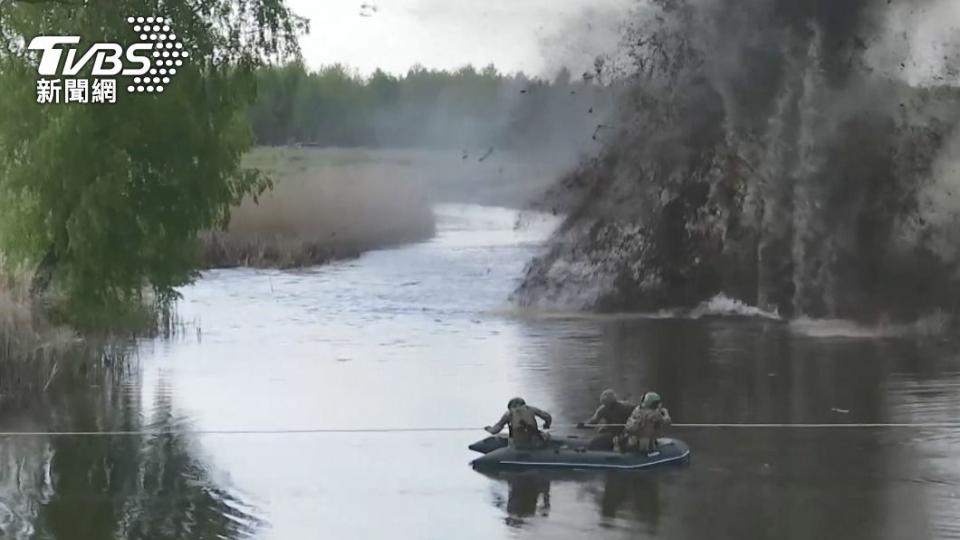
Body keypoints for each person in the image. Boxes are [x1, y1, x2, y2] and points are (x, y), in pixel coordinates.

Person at [485, 397, 552, 450]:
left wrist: (488, 429)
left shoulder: (508, 414)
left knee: (511, 439)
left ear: (510, 407)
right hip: (535, 443)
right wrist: (546, 425)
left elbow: (495, 430)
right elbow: (548, 417)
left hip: (519, 445)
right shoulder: (531, 409)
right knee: (546, 435)